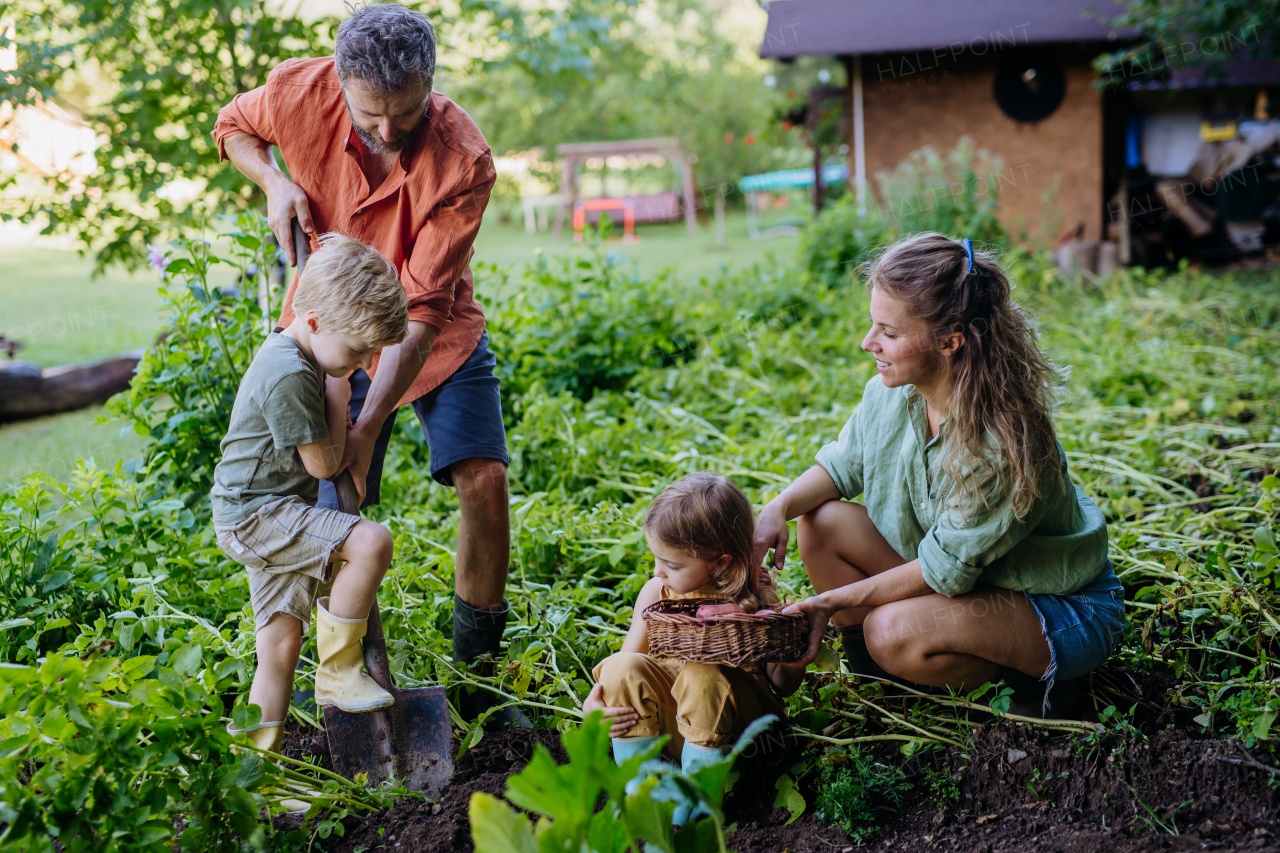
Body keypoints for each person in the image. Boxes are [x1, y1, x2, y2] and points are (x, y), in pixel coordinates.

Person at [212, 4, 524, 728]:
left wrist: (369, 418)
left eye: (406, 113)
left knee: (484, 478)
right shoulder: (298, 92)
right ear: (339, 81)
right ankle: (350, 687)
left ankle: (479, 680)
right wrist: (273, 180)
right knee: (334, 499)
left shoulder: (464, 158)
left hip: (431, 332)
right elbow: (232, 127)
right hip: (334, 335)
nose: (389, 131)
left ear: (431, 87)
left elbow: (421, 309)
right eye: (370, 114)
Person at [759, 233, 1125, 718]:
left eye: (888, 332)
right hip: (969, 581)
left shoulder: (1000, 442)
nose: (868, 343)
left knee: (890, 630)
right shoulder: (891, 393)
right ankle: (890, 682)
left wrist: (828, 602)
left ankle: (1034, 691)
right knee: (821, 522)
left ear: (949, 342)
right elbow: (842, 465)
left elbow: (942, 570)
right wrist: (776, 509)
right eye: (873, 324)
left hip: (1055, 606)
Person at [212, 233, 408, 754]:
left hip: (255, 512)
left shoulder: (306, 357)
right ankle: (339, 670)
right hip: (258, 516)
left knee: (277, 647)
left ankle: (254, 771)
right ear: (315, 322)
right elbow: (324, 464)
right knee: (372, 543)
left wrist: (336, 376)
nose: (364, 364)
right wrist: (339, 394)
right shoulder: (290, 375)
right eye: (358, 350)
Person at [584, 472, 804, 824]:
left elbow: (782, 686)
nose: (659, 571)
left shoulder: (753, 597)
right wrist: (596, 703)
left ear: (721, 562)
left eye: (672, 564)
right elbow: (627, 667)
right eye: (656, 559)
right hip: (684, 731)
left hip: (744, 738)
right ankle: (648, 797)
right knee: (620, 668)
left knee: (703, 675)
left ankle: (696, 812)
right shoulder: (658, 592)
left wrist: (793, 643)